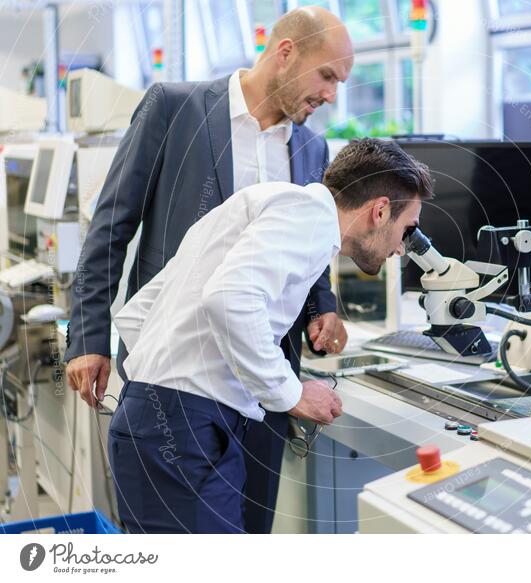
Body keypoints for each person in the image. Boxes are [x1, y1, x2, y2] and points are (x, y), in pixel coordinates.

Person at [64, 7, 353, 533]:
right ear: (285, 51)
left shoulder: (312, 148)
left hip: (262, 382)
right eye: (327, 75)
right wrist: (87, 336)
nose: (332, 95)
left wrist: (324, 307)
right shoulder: (175, 108)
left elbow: (301, 252)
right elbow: (112, 223)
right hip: (177, 381)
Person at [107, 138, 433, 533]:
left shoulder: (267, 202)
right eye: (408, 229)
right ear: (380, 211)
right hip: (184, 432)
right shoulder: (310, 215)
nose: (403, 248)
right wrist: (290, 393)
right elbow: (229, 298)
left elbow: (143, 308)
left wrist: (160, 388)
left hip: (162, 421)